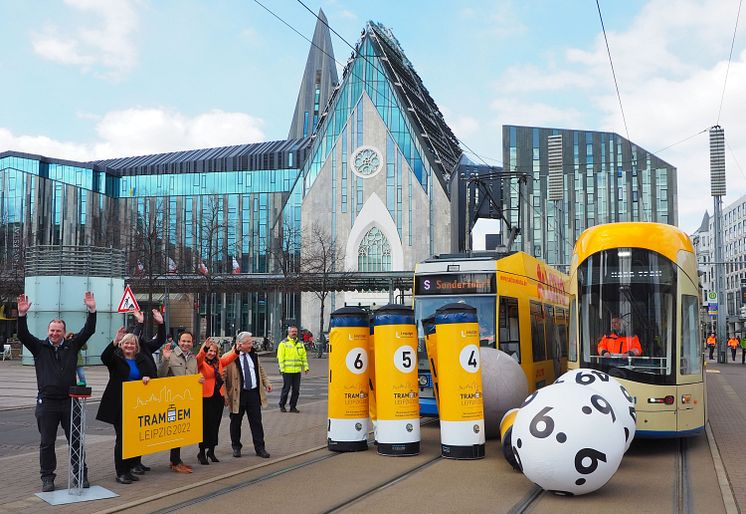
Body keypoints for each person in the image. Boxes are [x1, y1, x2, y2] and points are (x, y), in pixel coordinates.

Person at [17, 292, 96, 493]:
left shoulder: (72, 346)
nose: (54, 334)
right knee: (47, 443)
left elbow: (89, 331)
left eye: (58, 331)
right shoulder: (39, 347)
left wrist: (92, 310)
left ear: (64, 332)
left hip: (70, 401)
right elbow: (23, 335)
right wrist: (22, 315)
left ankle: (80, 474)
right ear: (48, 331)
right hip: (47, 402)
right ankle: (47, 478)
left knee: (76, 441)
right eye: (52, 330)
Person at [97, 327, 156, 484]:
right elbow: (104, 357)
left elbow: (149, 375)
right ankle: (120, 472)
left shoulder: (139, 360)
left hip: (136, 405)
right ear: (121, 345)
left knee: (133, 439)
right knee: (122, 439)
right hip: (119, 404)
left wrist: (146, 379)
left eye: (132, 344)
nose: (129, 346)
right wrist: (114, 341)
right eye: (126, 343)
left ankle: (129, 468)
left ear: (136, 347)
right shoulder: (116, 360)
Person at [129, 308, 166, 475]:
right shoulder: (132, 349)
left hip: (147, 394)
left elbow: (160, 340)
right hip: (136, 395)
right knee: (134, 432)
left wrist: (161, 324)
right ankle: (131, 463)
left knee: (142, 431)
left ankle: (138, 461)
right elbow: (134, 338)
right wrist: (140, 323)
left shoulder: (145, 347)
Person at [224, 331, 272, 458]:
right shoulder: (229, 357)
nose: (252, 345)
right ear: (240, 344)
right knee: (236, 422)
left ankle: (260, 448)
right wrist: (225, 395)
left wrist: (266, 382)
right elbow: (222, 377)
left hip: (253, 394)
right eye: (249, 343)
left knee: (256, 422)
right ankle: (236, 446)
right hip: (238, 394)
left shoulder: (254, 355)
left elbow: (260, 369)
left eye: (251, 342)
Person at [159, 330, 201, 473]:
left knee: (181, 430)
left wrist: (198, 380)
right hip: (173, 400)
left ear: (192, 343)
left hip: (186, 401)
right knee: (175, 431)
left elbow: (193, 377)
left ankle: (176, 460)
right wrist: (165, 359)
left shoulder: (193, 358)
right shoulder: (170, 355)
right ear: (179, 341)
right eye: (183, 341)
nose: (186, 344)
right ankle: (175, 461)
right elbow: (160, 375)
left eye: (188, 341)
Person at [195, 338, 227, 465]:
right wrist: (204, 349)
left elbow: (229, 357)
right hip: (205, 397)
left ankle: (211, 451)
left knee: (215, 424)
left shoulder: (218, 362)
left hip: (218, 396)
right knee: (205, 425)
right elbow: (198, 359)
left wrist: (237, 349)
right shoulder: (201, 362)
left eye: (214, 351)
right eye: (209, 350)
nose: (212, 353)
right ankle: (201, 452)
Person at [277, 325, 309, 413]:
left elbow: (303, 356)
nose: (294, 333)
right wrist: (282, 369)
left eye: (295, 331)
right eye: (292, 331)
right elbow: (280, 357)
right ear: (289, 332)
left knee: (296, 390)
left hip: (297, 371)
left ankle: (293, 407)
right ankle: (282, 405)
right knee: (286, 389)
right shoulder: (283, 344)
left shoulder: (300, 344)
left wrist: (306, 367)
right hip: (287, 371)